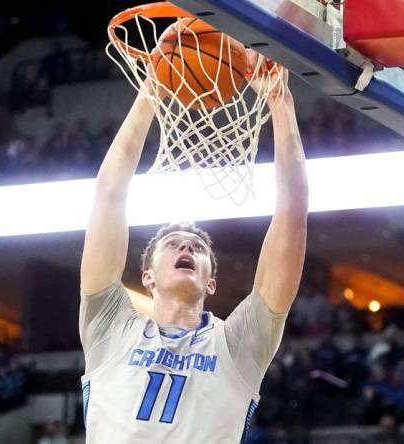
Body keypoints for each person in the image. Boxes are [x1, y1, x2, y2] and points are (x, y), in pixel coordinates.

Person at [78, 53, 308, 443]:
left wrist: (280, 103)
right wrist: (150, 90)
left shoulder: (238, 344)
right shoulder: (109, 326)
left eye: (197, 247)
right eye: (173, 244)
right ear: (146, 277)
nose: (186, 244)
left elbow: (293, 211)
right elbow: (108, 194)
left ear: (211, 283)